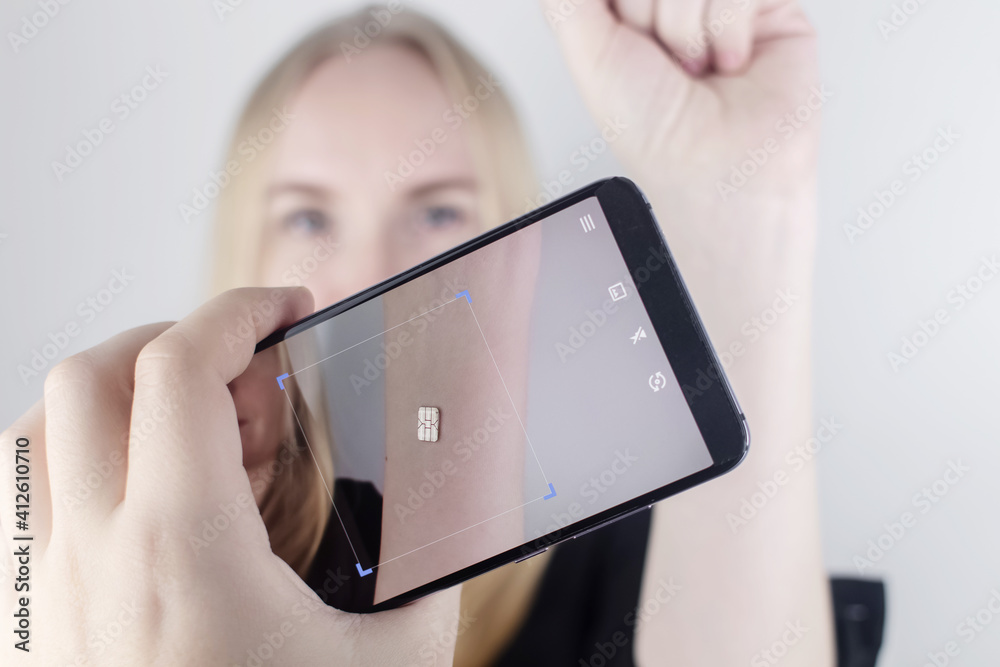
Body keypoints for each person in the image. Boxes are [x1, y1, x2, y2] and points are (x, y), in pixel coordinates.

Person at [0, 1, 884, 665]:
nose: (373, 268)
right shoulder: (94, 549)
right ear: (243, 244)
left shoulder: (624, 557)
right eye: (308, 216)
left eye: (437, 211)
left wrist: (744, 208)